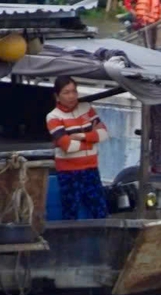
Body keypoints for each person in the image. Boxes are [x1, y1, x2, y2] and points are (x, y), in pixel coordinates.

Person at [47, 77, 109, 221]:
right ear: (57, 96)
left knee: (100, 210)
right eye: (66, 93)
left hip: (91, 168)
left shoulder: (86, 108)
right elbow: (67, 146)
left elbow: (104, 134)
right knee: (71, 211)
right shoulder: (53, 117)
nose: (71, 96)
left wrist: (81, 136)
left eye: (74, 91)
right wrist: (92, 140)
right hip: (69, 172)